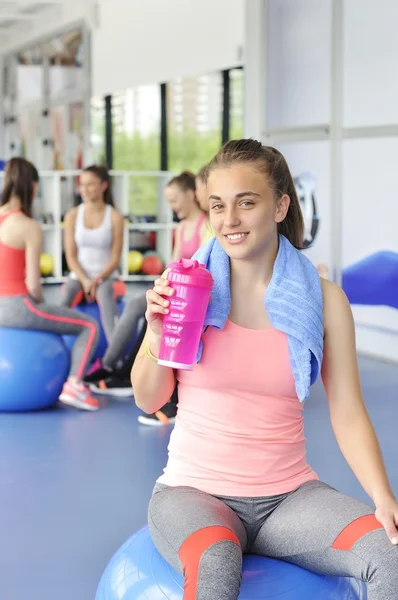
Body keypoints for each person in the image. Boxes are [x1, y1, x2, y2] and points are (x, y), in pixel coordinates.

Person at [131, 139, 398, 599]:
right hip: (194, 493)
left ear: (280, 206)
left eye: (245, 203)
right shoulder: (185, 287)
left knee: (389, 552)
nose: (229, 220)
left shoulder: (324, 300)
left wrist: (383, 497)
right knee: (216, 559)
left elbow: (348, 412)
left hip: (289, 498)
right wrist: (157, 333)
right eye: (217, 206)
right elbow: (148, 399)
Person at [85, 171, 209, 426]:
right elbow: (174, 265)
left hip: (194, 296)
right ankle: (120, 371)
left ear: (190, 194)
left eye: (175, 200)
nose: (172, 206)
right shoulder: (180, 227)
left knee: (150, 316)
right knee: (142, 308)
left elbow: (205, 266)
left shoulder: (205, 225)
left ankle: (123, 374)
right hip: (177, 291)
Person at [0, 157, 100, 410]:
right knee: (88, 325)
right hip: (16, 307)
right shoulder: (28, 225)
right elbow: (33, 286)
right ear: (32, 187)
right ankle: (75, 385)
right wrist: (43, 311)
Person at [61, 165, 124, 354]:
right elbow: (70, 256)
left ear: (104, 185)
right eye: (82, 185)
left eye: (90, 185)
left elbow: (115, 258)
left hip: (106, 276)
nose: (85, 190)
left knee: (105, 295)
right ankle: (58, 347)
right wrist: (85, 280)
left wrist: (97, 280)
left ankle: (115, 358)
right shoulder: (72, 215)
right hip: (79, 276)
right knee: (65, 298)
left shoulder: (114, 217)